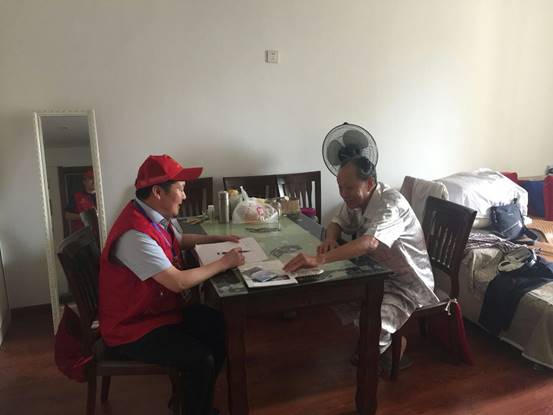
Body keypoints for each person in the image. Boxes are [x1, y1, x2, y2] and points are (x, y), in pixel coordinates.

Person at [99, 154, 245, 415]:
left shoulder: (151, 216)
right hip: (131, 328)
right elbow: (178, 282)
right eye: (180, 189)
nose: (184, 196)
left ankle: (194, 400)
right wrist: (225, 262)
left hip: (155, 312)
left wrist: (217, 239)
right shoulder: (134, 235)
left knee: (218, 325)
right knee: (201, 358)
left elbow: (178, 240)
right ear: (158, 192)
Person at [283, 156, 438, 368]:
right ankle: (376, 342)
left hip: (408, 283)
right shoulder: (357, 200)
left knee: (372, 324)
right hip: (377, 273)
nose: (343, 193)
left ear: (370, 183)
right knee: (333, 290)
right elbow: (336, 221)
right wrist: (330, 238)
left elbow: (369, 243)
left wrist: (319, 259)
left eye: (349, 188)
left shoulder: (391, 204)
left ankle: (383, 349)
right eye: (340, 187)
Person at [64, 168, 97, 233]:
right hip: (83, 234)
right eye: (91, 178)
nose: (94, 181)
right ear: (84, 182)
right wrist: (83, 217)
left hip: (100, 233)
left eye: (95, 178)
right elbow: (67, 215)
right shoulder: (77, 197)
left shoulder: (102, 196)